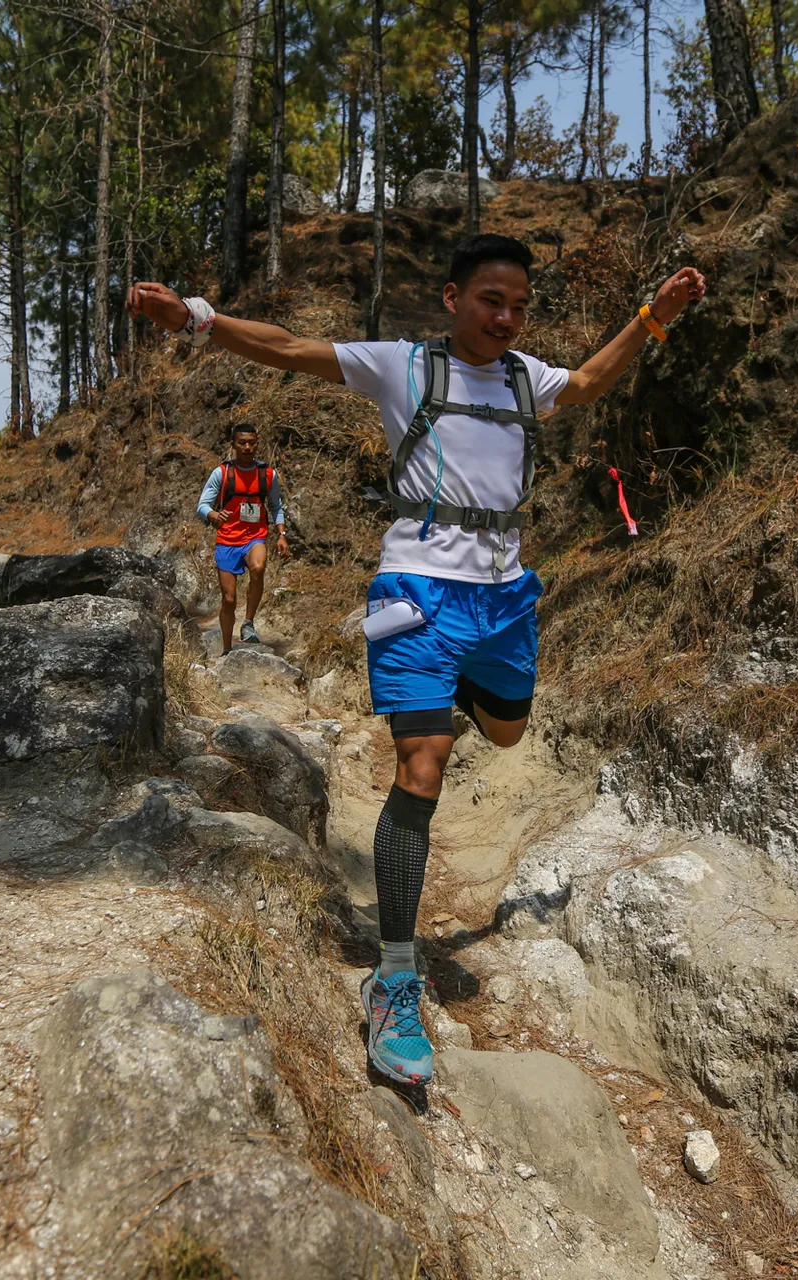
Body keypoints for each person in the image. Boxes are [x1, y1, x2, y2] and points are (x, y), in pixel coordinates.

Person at [128, 234, 706, 1087]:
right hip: (416, 594)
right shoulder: (404, 367)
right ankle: (395, 974)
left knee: (508, 733)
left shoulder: (521, 377)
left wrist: (651, 318)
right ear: (451, 298)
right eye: (489, 301)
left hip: (504, 597)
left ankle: (454, 694)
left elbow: (584, 384)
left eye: (518, 306)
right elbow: (292, 350)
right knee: (422, 767)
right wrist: (198, 317)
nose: (505, 318)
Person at [195, 423, 289, 651]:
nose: (247, 447)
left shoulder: (267, 474)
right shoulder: (222, 473)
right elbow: (202, 506)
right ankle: (227, 648)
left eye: (252, 442)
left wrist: (281, 534)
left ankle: (248, 623)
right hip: (227, 540)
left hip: (255, 536)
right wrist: (215, 515)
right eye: (242, 443)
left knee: (258, 567)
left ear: (257, 443)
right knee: (228, 599)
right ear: (233, 445)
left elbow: (276, 506)